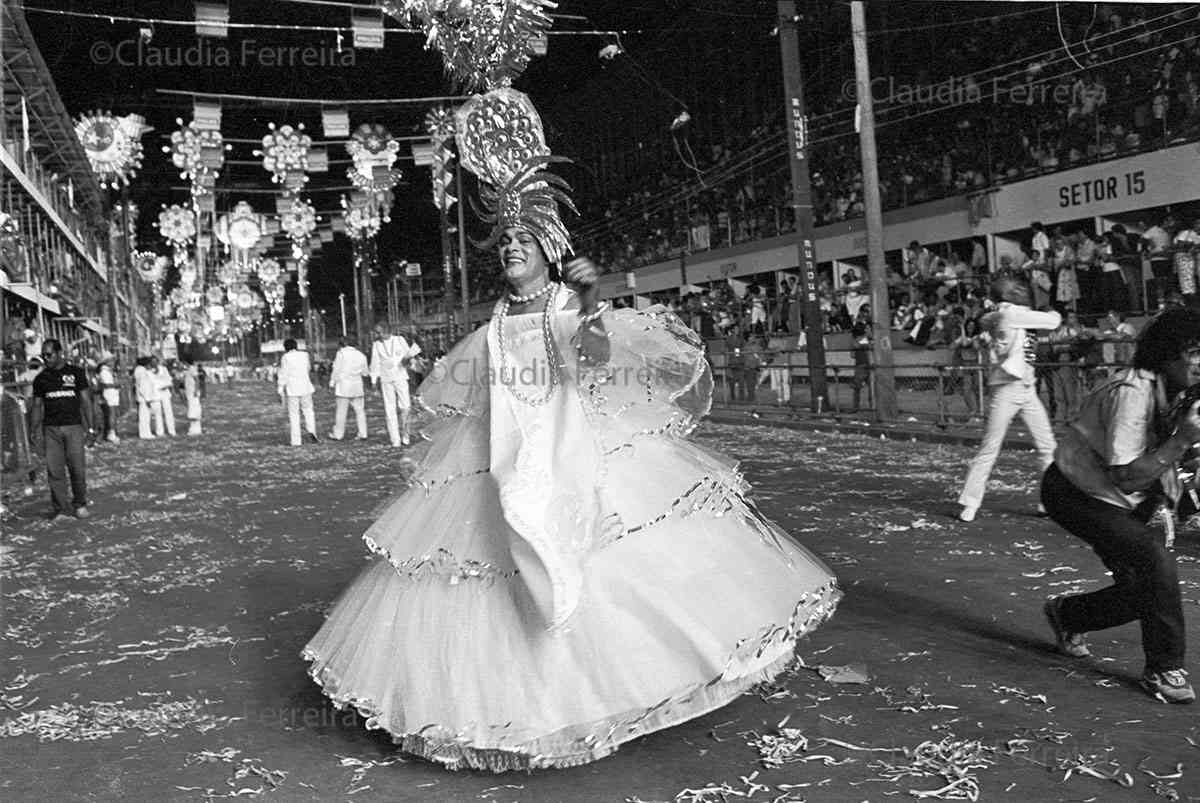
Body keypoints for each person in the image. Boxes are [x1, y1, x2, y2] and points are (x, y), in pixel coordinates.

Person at [302, 87, 839, 772]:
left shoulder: (565, 301)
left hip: (577, 442)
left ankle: (654, 677)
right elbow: (479, 388)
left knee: (619, 558)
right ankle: (510, 708)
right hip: (502, 454)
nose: (510, 252)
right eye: (504, 244)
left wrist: (586, 308)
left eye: (523, 242)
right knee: (482, 574)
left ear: (549, 246)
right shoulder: (493, 320)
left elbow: (598, 356)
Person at [1040, 307, 1200, 704]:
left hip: (1124, 495)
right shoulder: (1130, 393)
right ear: (1169, 355)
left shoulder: (1180, 391)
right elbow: (1125, 475)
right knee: (1155, 561)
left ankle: (1068, 615)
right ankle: (1164, 669)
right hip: (1076, 492)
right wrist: (1180, 443)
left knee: (1146, 589)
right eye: (1195, 352)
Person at [956, 277, 1061, 522]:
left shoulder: (1004, 314)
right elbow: (1054, 321)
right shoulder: (1012, 313)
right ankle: (970, 503)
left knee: (1048, 446)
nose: (1023, 291)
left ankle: (1049, 503)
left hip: (1026, 387)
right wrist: (1050, 306)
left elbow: (987, 322)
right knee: (990, 447)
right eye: (1018, 289)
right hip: (1008, 388)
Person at [29, 339, 94, 520]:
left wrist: (91, 429)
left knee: (77, 468)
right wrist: (33, 429)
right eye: (43, 355)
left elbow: (86, 401)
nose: (46, 358)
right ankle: (61, 509)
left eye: (49, 354)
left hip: (73, 427)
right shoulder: (41, 379)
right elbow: (36, 406)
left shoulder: (76, 373)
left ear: (59, 353)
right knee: (55, 471)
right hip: (51, 430)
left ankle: (80, 503)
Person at [370, 322, 421, 447]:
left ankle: (406, 435)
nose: (376, 334)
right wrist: (373, 381)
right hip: (386, 380)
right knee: (389, 409)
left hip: (401, 377)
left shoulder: (399, 340)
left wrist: (409, 361)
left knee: (406, 407)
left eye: (378, 332)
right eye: (376, 332)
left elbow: (409, 355)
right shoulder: (376, 345)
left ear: (386, 330)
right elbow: (375, 363)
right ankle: (395, 439)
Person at [277, 339, 319, 446]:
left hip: (293, 389)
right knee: (309, 411)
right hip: (306, 387)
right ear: (296, 346)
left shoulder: (286, 357)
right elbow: (308, 368)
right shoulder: (305, 355)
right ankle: (312, 431)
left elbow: (284, 374)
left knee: (294, 415)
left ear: (285, 348)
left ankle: (296, 441)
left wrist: (280, 387)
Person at [328, 337, 369, 441]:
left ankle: (338, 434)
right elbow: (365, 372)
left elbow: (336, 369)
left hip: (343, 386)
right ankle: (363, 433)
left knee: (341, 411)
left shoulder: (341, 353)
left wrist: (332, 382)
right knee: (360, 411)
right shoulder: (361, 355)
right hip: (357, 385)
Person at [133, 356, 161, 439]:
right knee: (145, 416)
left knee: (143, 416)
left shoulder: (138, 370)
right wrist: (148, 398)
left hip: (142, 397)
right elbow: (144, 386)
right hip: (144, 397)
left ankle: (145, 432)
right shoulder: (142, 372)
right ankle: (145, 433)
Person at [96, 353, 120, 444]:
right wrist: (116, 384)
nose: (113, 362)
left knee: (112, 414)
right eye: (111, 360)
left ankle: (111, 432)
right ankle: (111, 433)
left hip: (113, 393)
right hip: (109, 394)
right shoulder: (104, 372)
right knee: (111, 414)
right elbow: (105, 384)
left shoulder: (110, 371)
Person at [154, 357, 177, 437]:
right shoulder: (150, 371)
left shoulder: (163, 369)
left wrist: (166, 385)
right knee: (157, 413)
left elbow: (169, 381)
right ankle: (159, 431)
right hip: (155, 393)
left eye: (155, 362)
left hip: (164, 392)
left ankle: (171, 430)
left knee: (168, 411)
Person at [182, 357, 203, 436]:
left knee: (194, 410)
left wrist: (196, 390)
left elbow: (197, 379)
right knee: (191, 410)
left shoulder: (192, 369)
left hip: (193, 392)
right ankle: (192, 428)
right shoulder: (187, 370)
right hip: (189, 392)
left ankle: (196, 429)